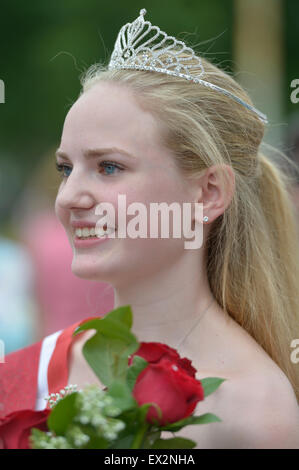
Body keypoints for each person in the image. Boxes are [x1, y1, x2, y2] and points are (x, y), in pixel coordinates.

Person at [1, 8, 299, 449]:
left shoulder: (256, 410)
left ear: (207, 193)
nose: (69, 198)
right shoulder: (21, 378)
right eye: (66, 168)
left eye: (109, 167)